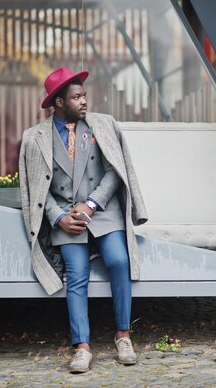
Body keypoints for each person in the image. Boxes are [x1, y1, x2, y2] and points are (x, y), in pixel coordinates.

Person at [19, 67, 148, 373]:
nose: (83, 101)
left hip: (101, 210)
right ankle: (82, 347)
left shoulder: (103, 125)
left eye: (84, 95)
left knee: (119, 260)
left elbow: (115, 172)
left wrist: (91, 204)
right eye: (76, 97)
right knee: (76, 275)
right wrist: (59, 217)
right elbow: (36, 187)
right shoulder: (34, 138)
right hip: (66, 217)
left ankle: (123, 336)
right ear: (59, 102)